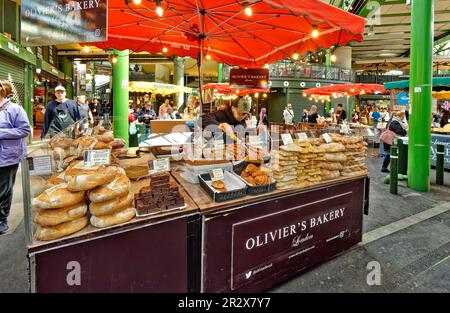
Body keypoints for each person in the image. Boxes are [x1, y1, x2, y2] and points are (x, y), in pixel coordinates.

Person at [0, 80, 31, 234]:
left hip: (7, 157)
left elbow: (25, 130)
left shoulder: (15, 109)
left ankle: (2, 219)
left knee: (3, 190)